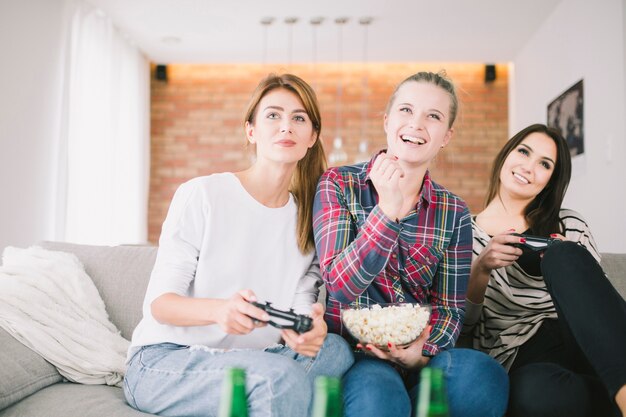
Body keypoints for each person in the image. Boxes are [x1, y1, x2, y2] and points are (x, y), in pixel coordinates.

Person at [123, 73, 354, 417]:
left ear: (312, 137)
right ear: (251, 131)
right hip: (166, 359)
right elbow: (160, 305)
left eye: (299, 118)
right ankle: (275, 393)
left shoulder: (308, 221)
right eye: (273, 115)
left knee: (335, 349)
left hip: (253, 361)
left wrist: (310, 327)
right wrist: (219, 311)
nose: (285, 127)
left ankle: (266, 397)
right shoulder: (202, 195)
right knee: (280, 378)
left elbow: (301, 307)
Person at [313, 71, 509, 417]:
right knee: (379, 400)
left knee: (483, 375)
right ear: (387, 121)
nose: (416, 124)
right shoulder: (339, 184)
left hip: (421, 357)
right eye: (406, 110)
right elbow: (340, 286)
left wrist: (421, 352)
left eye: (433, 116)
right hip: (360, 355)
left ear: (446, 135)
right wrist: (387, 211)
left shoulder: (454, 212)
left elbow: (449, 309)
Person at [463, 123, 626, 417]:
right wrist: (481, 267)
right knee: (534, 397)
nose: (529, 166)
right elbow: (465, 327)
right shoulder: (464, 236)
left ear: (551, 180)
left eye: (544, 164)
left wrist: (571, 256)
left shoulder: (569, 223)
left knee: (562, 254)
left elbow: (602, 305)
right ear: (506, 154)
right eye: (523, 151)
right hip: (524, 354)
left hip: (586, 338)